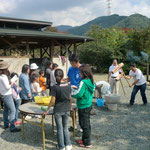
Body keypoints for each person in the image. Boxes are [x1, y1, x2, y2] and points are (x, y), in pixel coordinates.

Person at [43, 69, 72, 150]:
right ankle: (68, 145)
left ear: (54, 76)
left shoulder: (55, 87)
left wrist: (47, 109)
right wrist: (70, 107)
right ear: (63, 76)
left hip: (58, 110)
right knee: (65, 127)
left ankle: (61, 146)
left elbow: (52, 100)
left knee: (59, 128)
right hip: (66, 109)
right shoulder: (68, 86)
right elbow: (70, 98)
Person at [72, 64, 95, 148]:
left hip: (83, 105)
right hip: (88, 104)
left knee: (84, 125)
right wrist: (77, 87)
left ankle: (87, 143)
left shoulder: (83, 82)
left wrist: (71, 92)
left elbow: (79, 94)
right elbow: (84, 91)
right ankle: (84, 139)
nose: (79, 74)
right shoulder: (90, 80)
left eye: (80, 72)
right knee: (86, 124)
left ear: (84, 73)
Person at [0, 60, 21, 132]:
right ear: (4, 69)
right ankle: (12, 127)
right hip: (7, 95)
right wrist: (12, 82)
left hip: (3, 95)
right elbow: (7, 87)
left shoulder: (1, 76)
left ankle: (6, 124)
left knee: (6, 109)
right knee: (13, 110)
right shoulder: (4, 77)